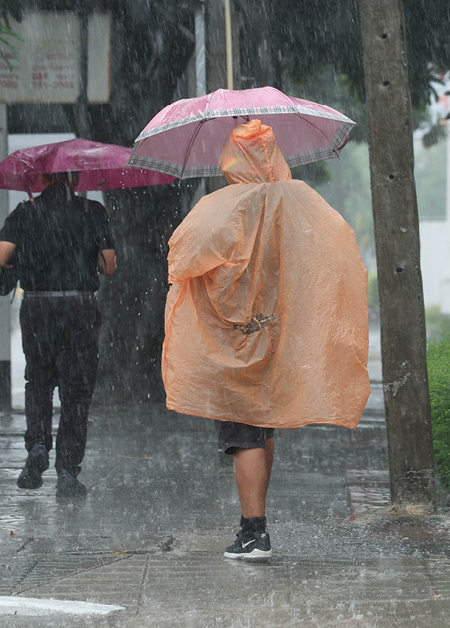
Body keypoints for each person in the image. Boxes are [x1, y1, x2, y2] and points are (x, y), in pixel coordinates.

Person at [163, 120, 369, 560]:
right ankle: (257, 523)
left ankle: (254, 532)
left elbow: (182, 255)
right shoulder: (299, 201)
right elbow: (329, 253)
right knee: (262, 421)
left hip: (234, 336)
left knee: (242, 430)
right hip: (275, 330)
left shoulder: (223, 206)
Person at [0, 171, 117, 500]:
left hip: (38, 309)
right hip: (79, 308)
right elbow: (109, 266)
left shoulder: (26, 212)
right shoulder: (92, 212)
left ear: (42, 179)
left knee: (39, 382)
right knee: (76, 393)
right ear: (75, 179)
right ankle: (68, 471)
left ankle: (38, 445)